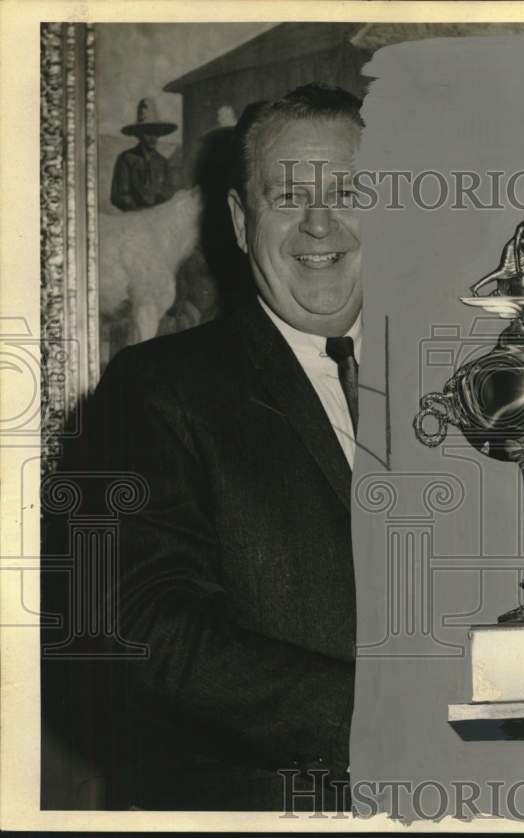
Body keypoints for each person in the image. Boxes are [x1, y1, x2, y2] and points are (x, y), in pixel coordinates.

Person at [52, 83, 365, 811]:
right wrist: (383, 712)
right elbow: (133, 625)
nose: (321, 225)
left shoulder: (477, 378)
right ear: (237, 219)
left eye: (351, 191)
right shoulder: (154, 387)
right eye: (288, 198)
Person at [110, 98, 178, 211]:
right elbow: (119, 196)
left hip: (160, 218)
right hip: (133, 219)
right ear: (139, 134)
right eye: (148, 132)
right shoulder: (126, 159)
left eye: (155, 133)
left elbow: (169, 192)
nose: (153, 137)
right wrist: (139, 212)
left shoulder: (163, 162)